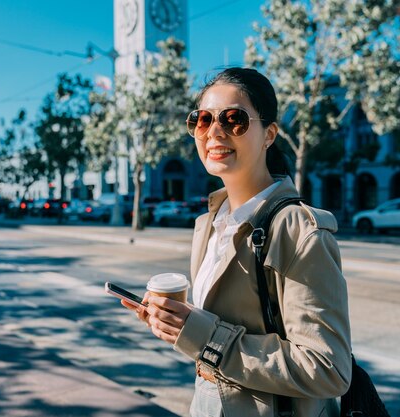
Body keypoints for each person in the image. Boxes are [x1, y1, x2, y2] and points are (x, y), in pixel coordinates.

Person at [122, 67, 352, 416]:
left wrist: (201, 335)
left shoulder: (299, 230)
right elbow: (218, 327)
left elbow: (327, 368)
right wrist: (173, 321)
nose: (214, 131)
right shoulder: (209, 222)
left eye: (234, 119)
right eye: (202, 120)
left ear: (269, 134)